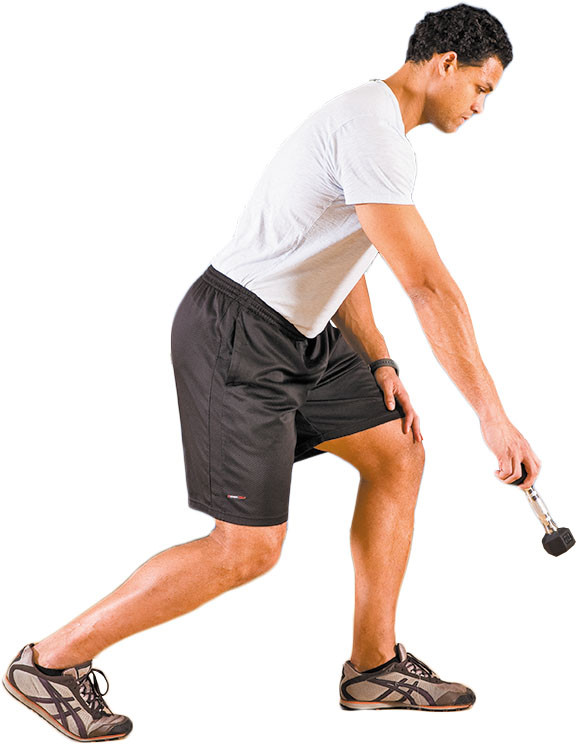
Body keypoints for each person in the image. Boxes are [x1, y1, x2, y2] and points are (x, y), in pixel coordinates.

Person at [3, 3, 541, 738]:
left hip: (304, 336)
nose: (483, 106)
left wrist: (377, 357)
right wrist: (493, 416)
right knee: (247, 551)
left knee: (397, 452)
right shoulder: (371, 129)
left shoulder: (379, 133)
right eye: (483, 87)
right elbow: (429, 285)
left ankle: (374, 668)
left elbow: (345, 253)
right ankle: (51, 662)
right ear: (445, 63)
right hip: (238, 335)